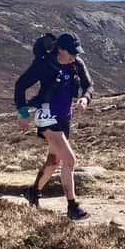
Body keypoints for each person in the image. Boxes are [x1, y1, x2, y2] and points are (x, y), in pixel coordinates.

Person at [14, 33, 94, 220]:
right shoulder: (44, 64)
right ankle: (72, 207)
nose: (75, 55)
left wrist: (84, 98)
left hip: (65, 116)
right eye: (72, 52)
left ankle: (34, 192)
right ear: (61, 49)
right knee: (70, 160)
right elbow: (21, 85)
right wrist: (23, 113)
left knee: (54, 162)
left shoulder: (77, 64)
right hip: (46, 114)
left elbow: (89, 85)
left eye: (77, 52)